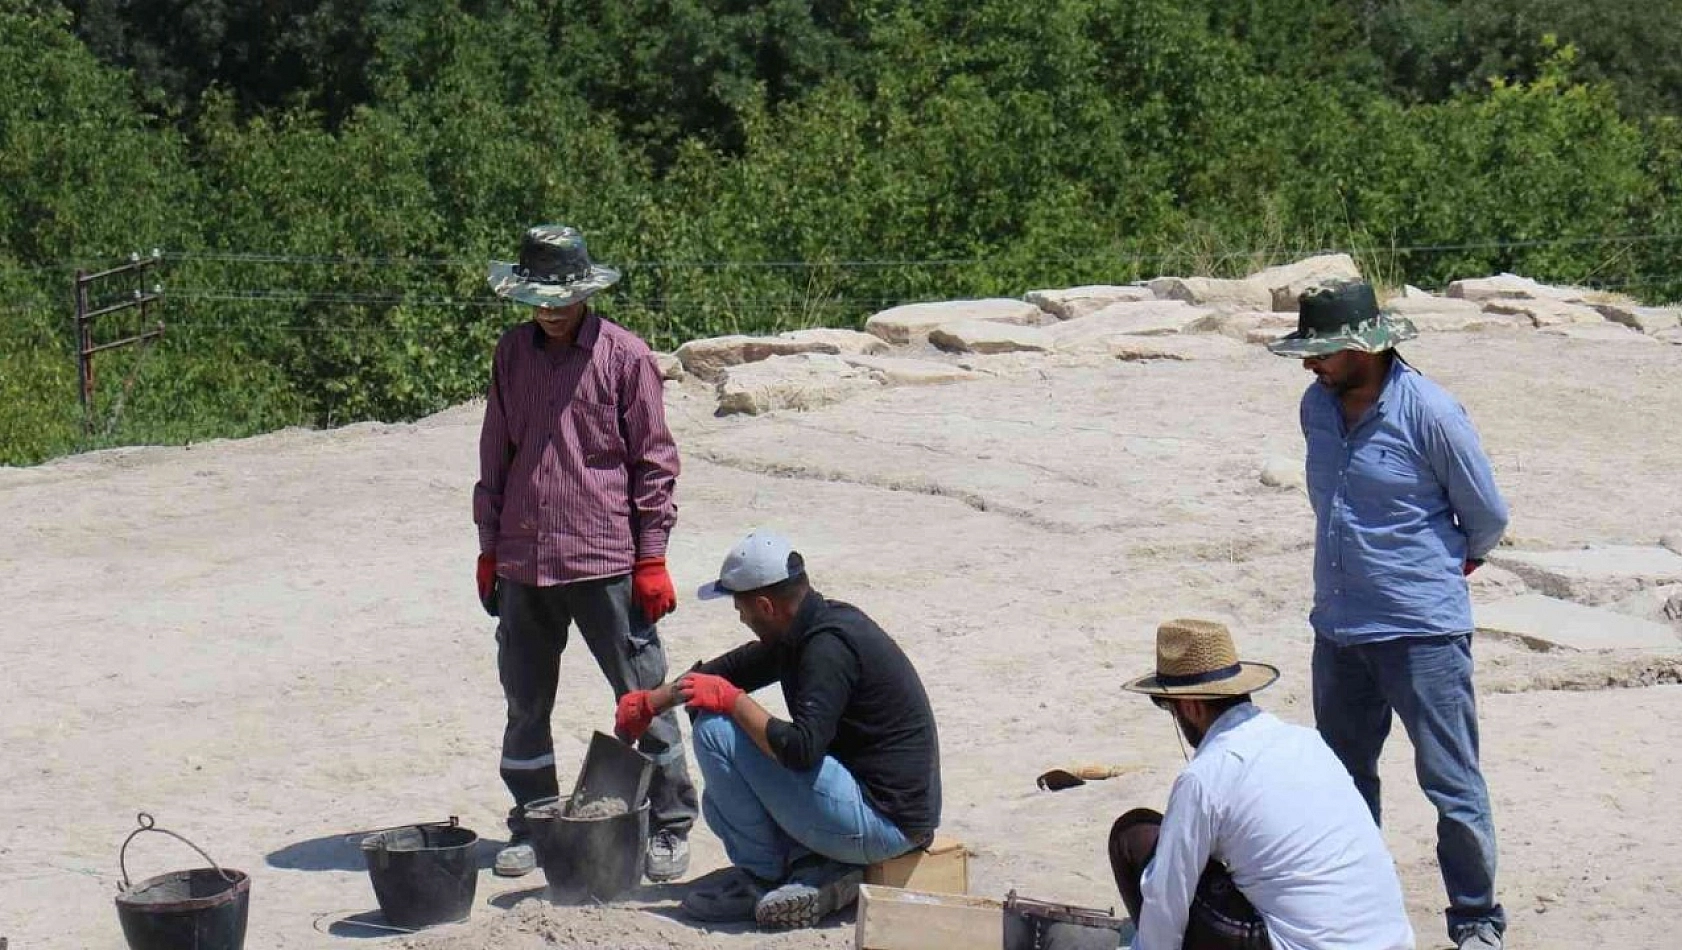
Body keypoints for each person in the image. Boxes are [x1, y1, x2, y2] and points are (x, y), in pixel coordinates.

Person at [1267, 280, 1510, 950]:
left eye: (1322, 351)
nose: (1309, 364)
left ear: (1364, 347)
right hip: (1338, 629)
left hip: (1422, 632)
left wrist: (1442, 569)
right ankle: (1355, 915)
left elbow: (1486, 516)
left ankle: (1476, 922)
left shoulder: (1431, 411)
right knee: (1343, 784)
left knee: (1451, 784)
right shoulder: (1314, 408)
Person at [473, 224, 697, 881]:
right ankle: (533, 822)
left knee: (644, 695)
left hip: (605, 561)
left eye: (558, 297)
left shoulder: (625, 357)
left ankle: (670, 824)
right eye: (535, 298)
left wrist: (651, 557)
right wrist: (489, 548)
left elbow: (655, 463)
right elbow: (496, 456)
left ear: (583, 292)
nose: (547, 310)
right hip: (523, 559)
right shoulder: (511, 355)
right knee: (525, 704)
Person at [614, 529, 941, 929]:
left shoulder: (826, 648)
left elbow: (802, 750)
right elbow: (720, 674)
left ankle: (764, 876)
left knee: (716, 732)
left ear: (766, 606)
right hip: (883, 810)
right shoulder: (807, 626)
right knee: (721, 803)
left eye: (742, 608)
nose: (741, 617)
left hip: (884, 824)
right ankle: (818, 869)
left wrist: (733, 701)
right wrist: (652, 702)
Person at [1112, 618, 1416, 950]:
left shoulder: (1206, 775)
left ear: (1192, 706)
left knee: (1133, 836)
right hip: (1391, 940)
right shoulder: (1307, 741)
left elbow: (1166, 900)